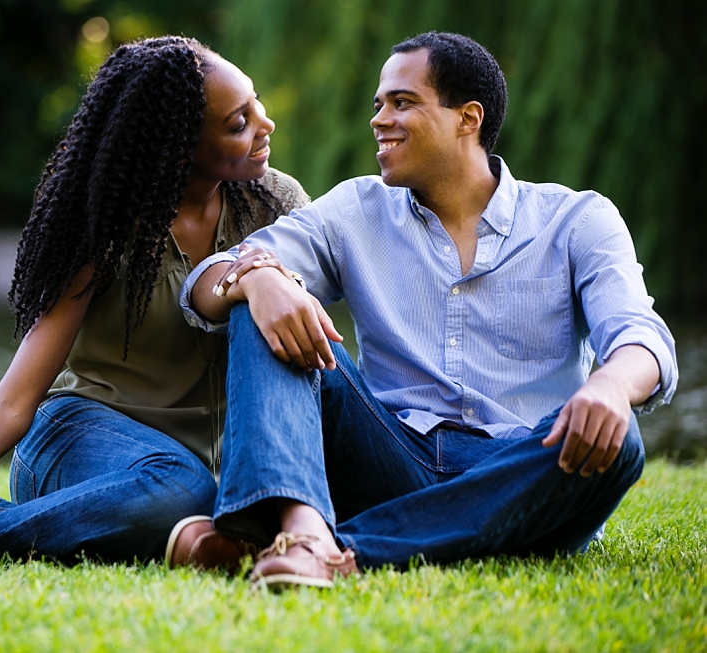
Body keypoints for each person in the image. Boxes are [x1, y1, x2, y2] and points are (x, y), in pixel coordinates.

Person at [171, 31, 677, 589]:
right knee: (261, 301)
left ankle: (337, 548)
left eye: (402, 102)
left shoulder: (577, 220)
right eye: (378, 104)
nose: (379, 118)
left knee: (621, 439)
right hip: (389, 454)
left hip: (521, 469)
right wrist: (258, 277)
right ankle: (306, 527)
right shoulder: (354, 209)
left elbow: (639, 334)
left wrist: (610, 385)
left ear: (468, 119)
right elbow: (204, 286)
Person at [0, 36, 309, 567]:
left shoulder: (274, 203)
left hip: (212, 461)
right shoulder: (107, 227)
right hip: (82, 440)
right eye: (238, 123)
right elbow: (15, 399)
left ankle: (5, 521)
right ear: (177, 147)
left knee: (217, 511)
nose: (264, 124)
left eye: (255, 105)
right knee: (181, 488)